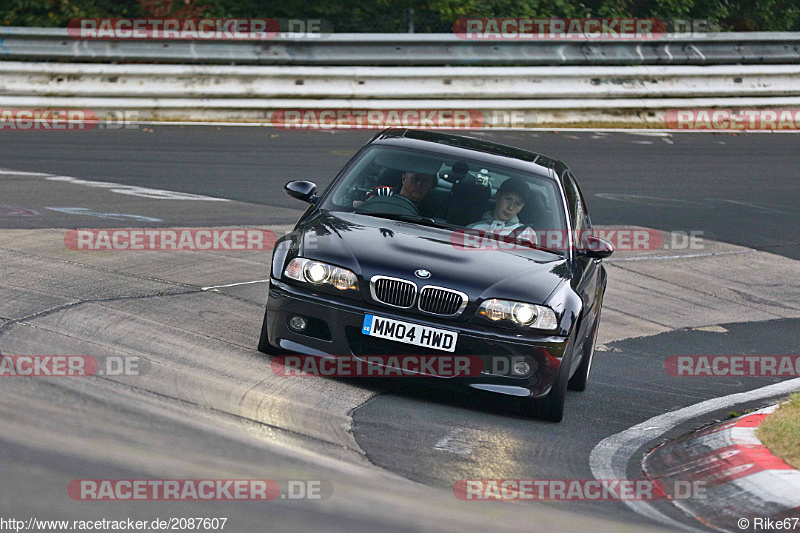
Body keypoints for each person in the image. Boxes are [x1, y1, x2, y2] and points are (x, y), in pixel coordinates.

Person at [467, 177, 538, 244]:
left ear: (522, 207)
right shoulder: (473, 228)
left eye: (518, 204)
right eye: (508, 199)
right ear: (497, 196)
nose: (510, 207)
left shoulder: (528, 234)